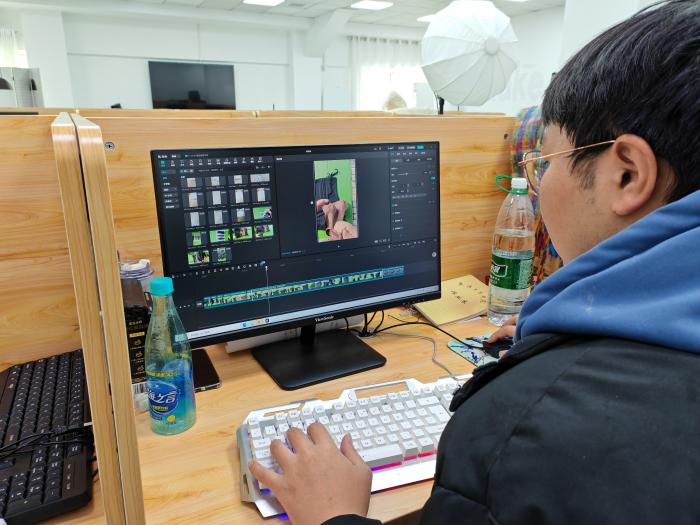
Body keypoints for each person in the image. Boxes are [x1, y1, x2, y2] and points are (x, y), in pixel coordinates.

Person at [248, 1, 700, 523]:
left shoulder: (521, 436)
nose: (537, 184)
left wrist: (334, 516)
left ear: (627, 175)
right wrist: (554, 340)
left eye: (542, 162)